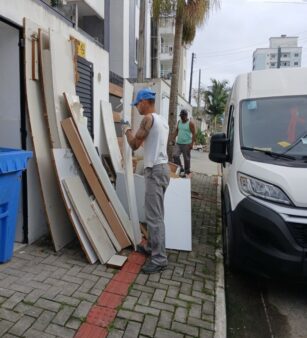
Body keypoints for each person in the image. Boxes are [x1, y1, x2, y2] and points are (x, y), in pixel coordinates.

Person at [122, 87, 170, 274]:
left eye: (137, 104)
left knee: (154, 217)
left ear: (144, 101)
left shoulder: (148, 119)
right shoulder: (162, 120)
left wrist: (126, 129)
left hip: (155, 171)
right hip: (162, 170)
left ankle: (159, 259)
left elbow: (134, 144)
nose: (136, 108)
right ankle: (151, 247)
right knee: (155, 213)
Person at [173, 109, 196, 176]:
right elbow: (177, 130)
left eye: (183, 116)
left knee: (186, 158)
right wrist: (173, 138)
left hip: (187, 144)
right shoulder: (179, 122)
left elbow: (194, 133)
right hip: (179, 143)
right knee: (175, 155)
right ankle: (180, 168)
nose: (181, 117)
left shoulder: (190, 123)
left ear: (186, 116)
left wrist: (192, 144)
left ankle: (187, 171)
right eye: (181, 116)